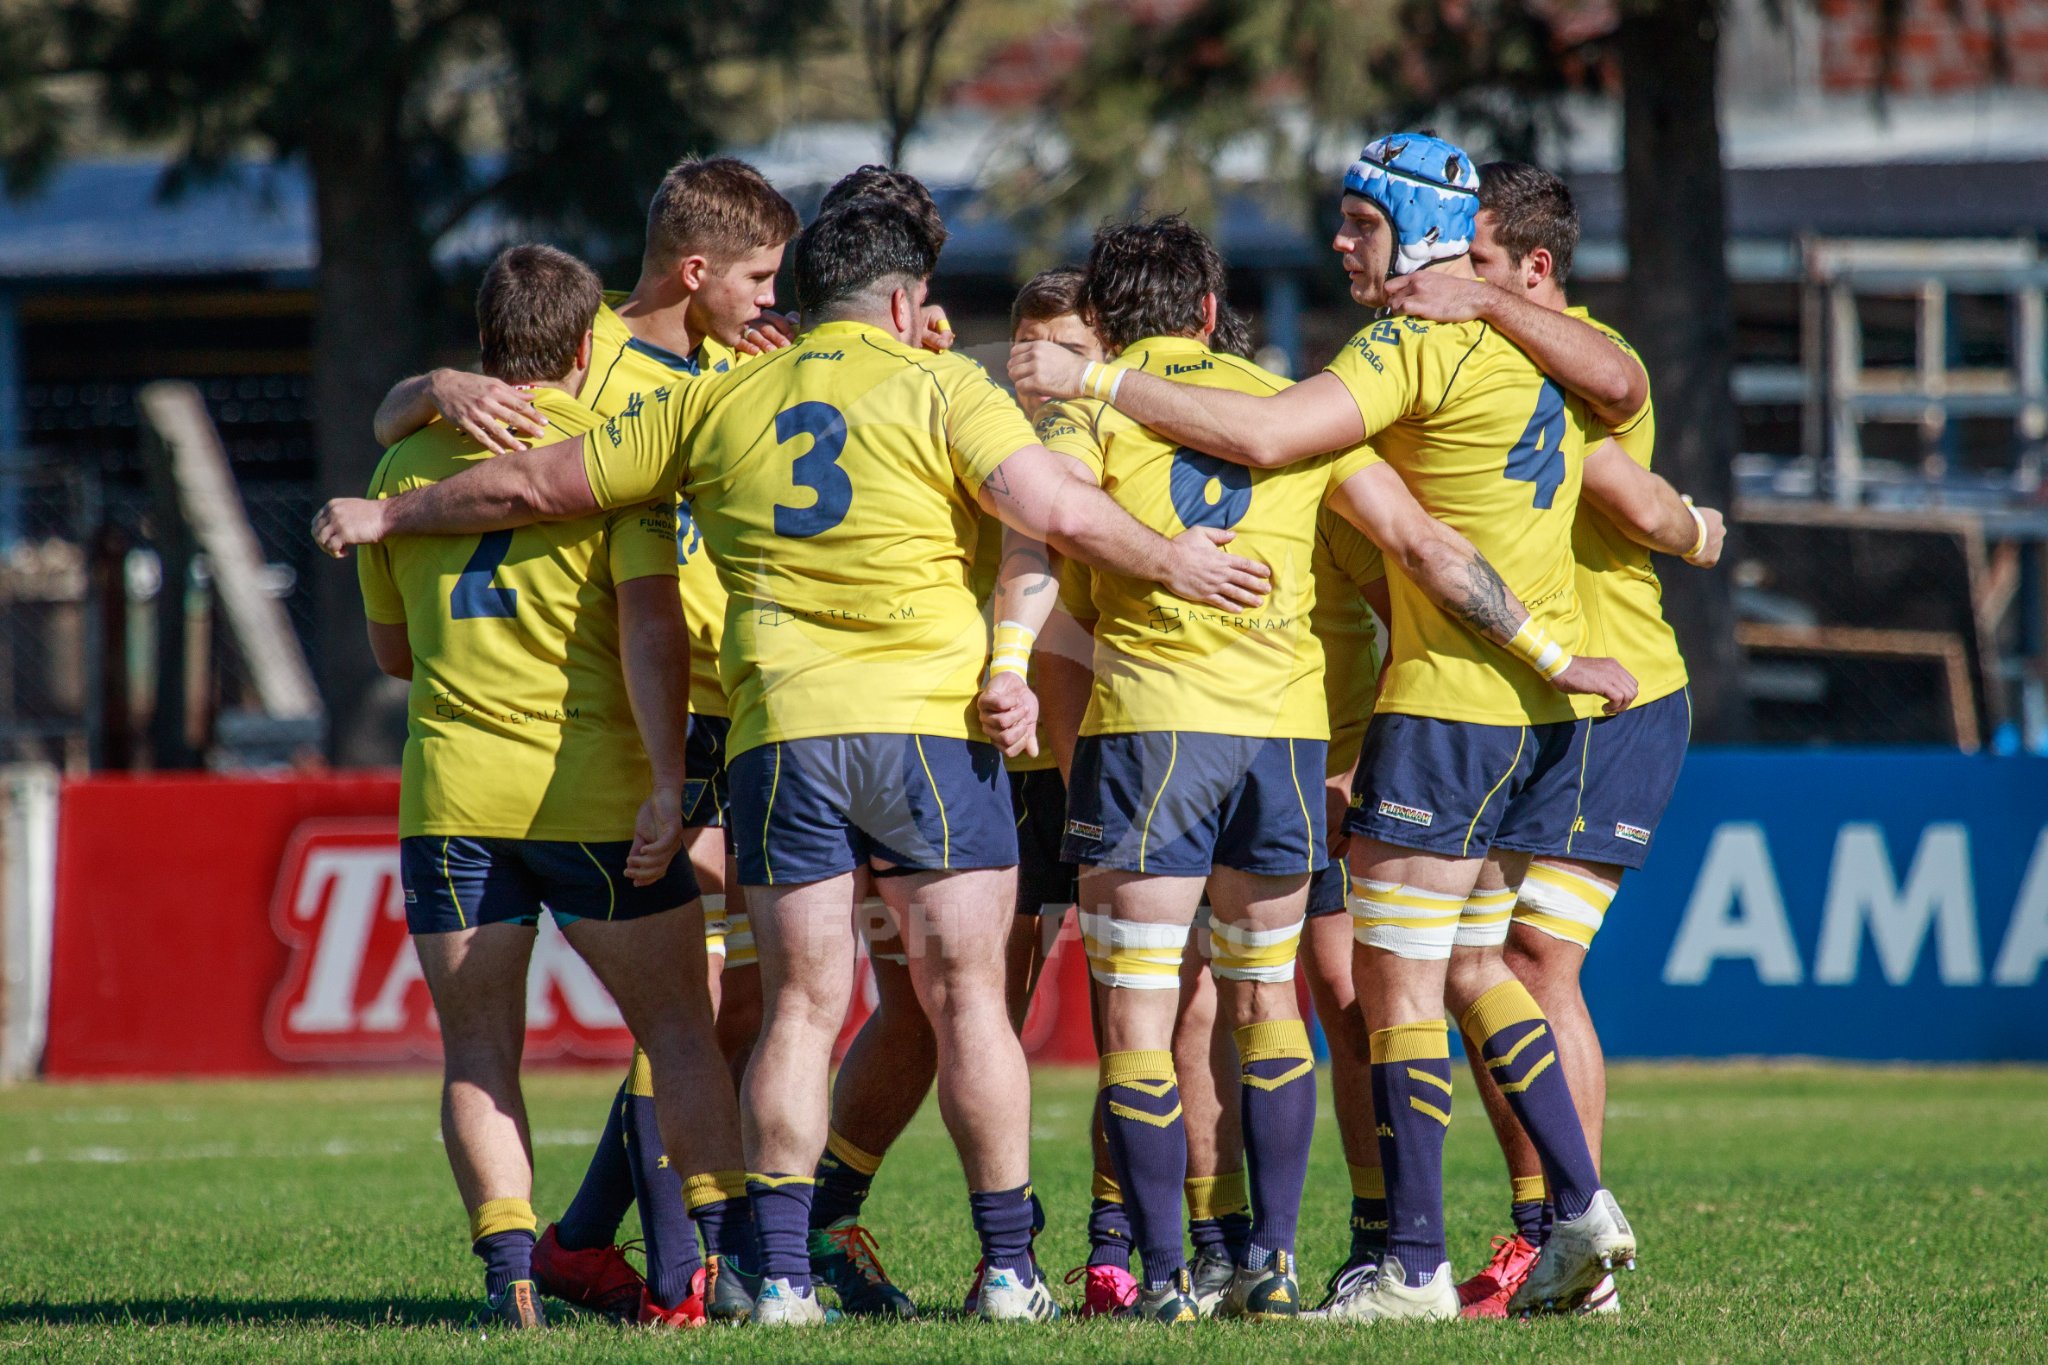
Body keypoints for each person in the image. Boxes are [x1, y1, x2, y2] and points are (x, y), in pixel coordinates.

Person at [311, 189, 1277, 1324]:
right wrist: (1170, 561)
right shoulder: (942, 386)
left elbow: (538, 484)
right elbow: (1053, 509)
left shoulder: (717, 398)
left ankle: (775, 1277)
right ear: (906, 299)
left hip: (782, 740)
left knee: (800, 1010)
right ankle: (1010, 1270)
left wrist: (395, 516)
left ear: (804, 295)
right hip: (927, 733)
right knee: (968, 998)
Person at [1010, 132, 1646, 1321]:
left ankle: (1386, 1263)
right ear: (1209, 308)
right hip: (1491, 712)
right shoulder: (1546, 350)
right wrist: (1565, 653)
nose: (1340, 244)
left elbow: (1227, 458)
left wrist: (1082, 381)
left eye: (1358, 223)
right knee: (1457, 969)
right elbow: (1595, 426)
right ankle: (1566, 1204)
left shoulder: (1397, 347)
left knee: (1352, 999)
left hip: (1378, 716)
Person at [370, 156, 799, 1327]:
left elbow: (392, 623)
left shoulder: (739, 368)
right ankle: (693, 1271)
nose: (772, 299)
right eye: (759, 276)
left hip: (536, 759)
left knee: (726, 1008)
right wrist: (433, 387)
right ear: (698, 267)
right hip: (626, 742)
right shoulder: (591, 365)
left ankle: (561, 1252)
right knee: (696, 1011)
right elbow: (639, 610)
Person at [1439, 159, 1723, 1318]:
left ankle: (1566, 1235)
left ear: (1531, 270)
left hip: (1617, 698)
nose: (1453, 280)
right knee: (1478, 967)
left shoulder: (1580, 358)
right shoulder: (1488, 356)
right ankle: (1549, 1228)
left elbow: (1633, 495)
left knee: (1527, 964)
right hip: (1535, 702)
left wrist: (1688, 527)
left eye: (1474, 262)